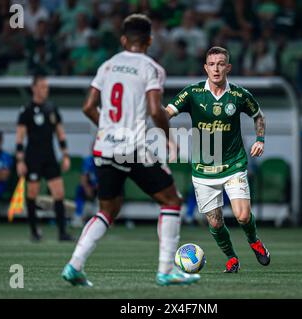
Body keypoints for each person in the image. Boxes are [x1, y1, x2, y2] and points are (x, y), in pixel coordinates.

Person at [61, 14, 200, 287]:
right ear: (149, 40)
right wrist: (169, 139)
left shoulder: (107, 66)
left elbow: (88, 107)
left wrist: (108, 127)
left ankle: (74, 266)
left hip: (104, 147)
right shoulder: (152, 68)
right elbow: (154, 110)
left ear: (124, 40)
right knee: (171, 200)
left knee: (108, 209)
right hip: (133, 147)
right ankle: (166, 271)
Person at [165, 46, 271, 273]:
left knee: (242, 216)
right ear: (205, 67)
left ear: (228, 67)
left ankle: (254, 241)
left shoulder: (239, 95)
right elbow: (167, 112)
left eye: (221, 63)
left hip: (233, 164)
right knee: (215, 222)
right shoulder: (192, 93)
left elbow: (258, 116)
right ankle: (232, 258)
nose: (216, 68)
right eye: (212, 64)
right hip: (203, 169)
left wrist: (260, 139)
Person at [15, 75, 73, 242]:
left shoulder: (51, 108)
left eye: (46, 87)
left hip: (50, 156)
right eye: (42, 86)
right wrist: (20, 160)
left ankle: (62, 232)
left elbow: (60, 133)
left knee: (59, 193)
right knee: (32, 193)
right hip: (32, 158)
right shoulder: (26, 110)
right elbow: (20, 136)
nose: (45, 90)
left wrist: (66, 154)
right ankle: (34, 231)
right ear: (34, 88)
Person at [72, 154, 98, 228]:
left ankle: (104, 218)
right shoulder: (88, 160)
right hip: (90, 186)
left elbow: (107, 178)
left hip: (100, 187)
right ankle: (78, 215)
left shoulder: (106, 160)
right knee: (80, 189)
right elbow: (83, 177)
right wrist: (87, 189)